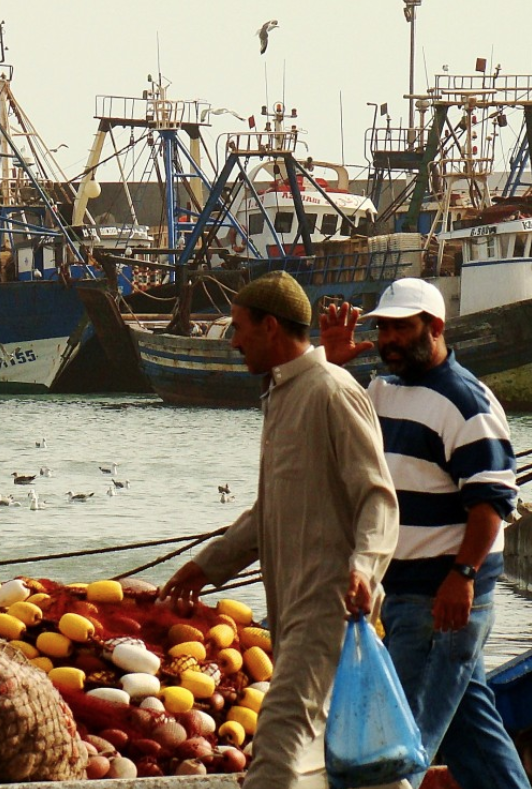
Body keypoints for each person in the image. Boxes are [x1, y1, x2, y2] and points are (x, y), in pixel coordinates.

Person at [159, 271, 400, 789]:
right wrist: (208, 565)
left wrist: (365, 569)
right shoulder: (280, 396)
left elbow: (377, 497)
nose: (233, 340)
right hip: (290, 606)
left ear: (270, 327)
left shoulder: (332, 391)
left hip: (329, 602)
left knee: (280, 734)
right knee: (350, 757)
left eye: (239, 327)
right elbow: (268, 511)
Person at [321, 278, 530, 789]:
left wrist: (462, 577)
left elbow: (491, 504)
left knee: (397, 744)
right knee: (472, 736)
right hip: (403, 594)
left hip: (443, 599)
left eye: (401, 328)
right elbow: (325, 423)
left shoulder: (468, 404)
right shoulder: (381, 390)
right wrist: (332, 364)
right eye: (384, 329)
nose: (389, 339)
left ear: (434, 328)